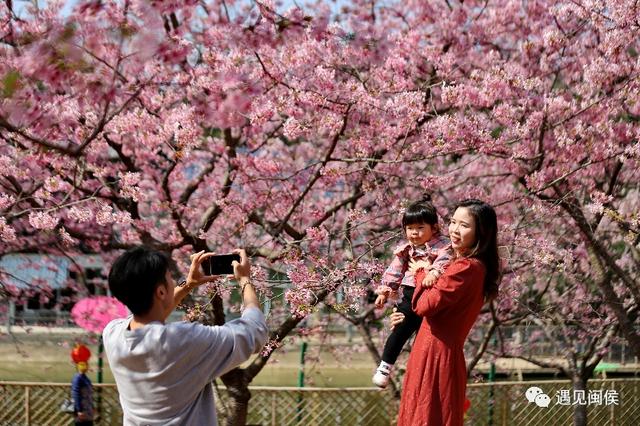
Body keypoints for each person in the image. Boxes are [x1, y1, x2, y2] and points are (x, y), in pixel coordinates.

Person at [103, 247, 268, 426]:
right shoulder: (186, 340)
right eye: (169, 277)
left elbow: (151, 316)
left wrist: (188, 284)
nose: (173, 281)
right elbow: (255, 330)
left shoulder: (112, 334)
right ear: (160, 292)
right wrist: (245, 280)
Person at [391, 199, 501, 426]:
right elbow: (431, 311)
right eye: (453, 222)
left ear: (481, 231)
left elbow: (425, 305)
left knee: (426, 416)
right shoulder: (462, 264)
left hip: (435, 355)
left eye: (464, 225)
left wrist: (421, 272)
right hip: (433, 350)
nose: (454, 230)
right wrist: (403, 317)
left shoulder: (466, 268)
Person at [372, 197, 452, 388]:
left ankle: (424, 373)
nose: (414, 233)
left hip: (432, 294)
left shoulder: (443, 245)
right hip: (409, 293)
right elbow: (394, 270)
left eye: (420, 228)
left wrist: (433, 271)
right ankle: (385, 366)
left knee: (426, 334)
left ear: (433, 228)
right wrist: (385, 291)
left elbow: (444, 260)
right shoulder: (405, 250)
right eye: (410, 228)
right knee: (401, 328)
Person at [70, 348, 94, 426]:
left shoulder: (85, 378)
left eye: (86, 363)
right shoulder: (77, 378)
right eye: (82, 364)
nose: (85, 366)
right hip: (82, 413)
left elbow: (89, 395)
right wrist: (79, 410)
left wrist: (92, 407)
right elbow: (76, 393)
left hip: (88, 412)